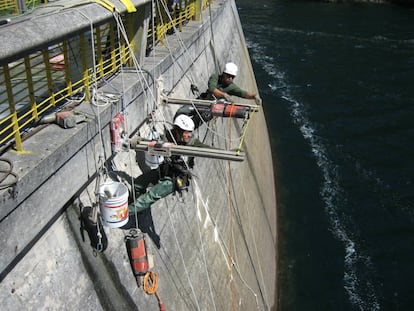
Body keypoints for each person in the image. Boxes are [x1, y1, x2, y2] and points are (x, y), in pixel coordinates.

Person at [128, 114, 209, 214]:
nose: (189, 135)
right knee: (138, 184)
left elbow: (210, 150)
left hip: (174, 178)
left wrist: (232, 152)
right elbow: (155, 144)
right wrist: (141, 141)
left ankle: (125, 213)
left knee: (150, 196)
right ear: (177, 131)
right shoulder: (169, 137)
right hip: (164, 170)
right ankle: (134, 208)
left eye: (190, 132)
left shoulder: (193, 143)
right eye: (186, 132)